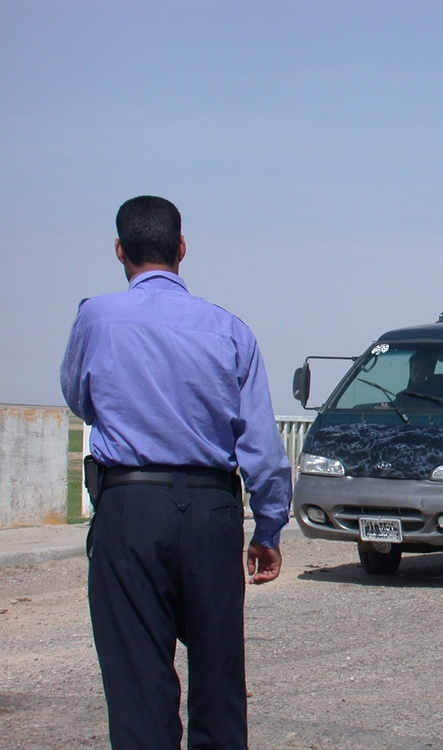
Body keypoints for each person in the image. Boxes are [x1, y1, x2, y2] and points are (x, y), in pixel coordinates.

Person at [60, 196, 292, 749]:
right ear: (181, 248)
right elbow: (260, 443)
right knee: (218, 682)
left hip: (130, 509)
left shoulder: (95, 318)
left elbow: (78, 400)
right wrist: (267, 530)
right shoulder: (230, 331)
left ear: (120, 249)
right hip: (212, 511)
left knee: (138, 683)